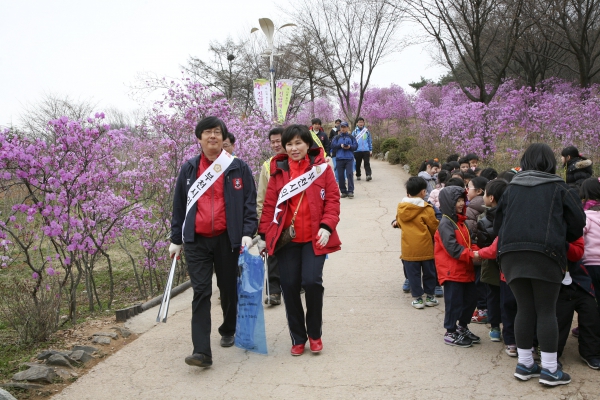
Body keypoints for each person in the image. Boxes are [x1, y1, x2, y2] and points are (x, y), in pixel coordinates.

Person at [493, 143, 586, 386]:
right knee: (546, 310)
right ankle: (550, 370)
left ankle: (525, 365)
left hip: (511, 255)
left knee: (524, 308)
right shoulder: (560, 188)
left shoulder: (510, 189)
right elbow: (578, 223)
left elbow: (497, 225)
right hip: (546, 254)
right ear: (551, 162)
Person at [169, 116, 258, 368]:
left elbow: (249, 203)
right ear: (199, 138)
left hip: (227, 239)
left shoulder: (237, 167)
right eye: (207, 132)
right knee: (201, 292)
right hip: (196, 241)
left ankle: (228, 328)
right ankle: (202, 352)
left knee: (228, 288)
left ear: (223, 138)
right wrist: (176, 239)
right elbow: (179, 207)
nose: (212, 136)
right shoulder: (188, 169)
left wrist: (247, 232)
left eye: (217, 132)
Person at [258, 124, 341, 356]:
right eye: (289, 144)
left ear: (308, 145)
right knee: (290, 286)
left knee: (312, 282)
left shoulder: (322, 169)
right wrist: (264, 235)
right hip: (287, 241)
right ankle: (298, 336)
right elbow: (269, 206)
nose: (294, 148)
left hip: (315, 238)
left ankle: (315, 334)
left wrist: (327, 226)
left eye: (298, 143)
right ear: (284, 147)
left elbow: (333, 200)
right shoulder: (278, 170)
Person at [435, 185, 479, 348]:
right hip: (452, 271)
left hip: (466, 270)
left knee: (470, 300)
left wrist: (478, 252)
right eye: (457, 200)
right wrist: (472, 255)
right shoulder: (446, 223)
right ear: (448, 202)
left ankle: (462, 327)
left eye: (462, 200)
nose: (461, 203)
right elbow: (453, 248)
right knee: (454, 303)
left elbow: (471, 242)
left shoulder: (462, 222)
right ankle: (450, 331)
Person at [396, 177, 440, 309]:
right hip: (426, 247)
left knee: (413, 275)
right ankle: (430, 296)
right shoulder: (426, 208)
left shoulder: (401, 208)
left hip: (408, 248)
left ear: (407, 192)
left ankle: (418, 299)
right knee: (429, 273)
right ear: (423, 192)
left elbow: (399, 222)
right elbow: (433, 226)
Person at [256, 127, 287, 306]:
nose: (276, 145)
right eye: (273, 142)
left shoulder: (298, 161)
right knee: (272, 253)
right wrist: (262, 225)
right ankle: (273, 290)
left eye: (279, 141)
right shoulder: (268, 165)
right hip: (274, 216)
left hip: (294, 217)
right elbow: (261, 196)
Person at [476, 179, 508, 344]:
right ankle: (510, 329)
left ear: (491, 198)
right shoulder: (511, 215)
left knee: (493, 297)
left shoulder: (483, 219)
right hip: (508, 264)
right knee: (508, 298)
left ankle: (495, 329)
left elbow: (481, 243)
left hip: (490, 263)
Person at [466, 177, 490, 325]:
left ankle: (482, 310)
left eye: (469, 187)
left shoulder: (471, 208)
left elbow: (470, 231)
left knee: (478, 281)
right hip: (488, 249)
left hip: (477, 250)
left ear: (479, 191)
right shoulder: (487, 205)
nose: (467, 191)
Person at [581, 177, 600, 317]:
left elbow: (579, 237)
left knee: (589, 298)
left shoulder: (586, 216)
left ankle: (590, 327)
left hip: (591, 264)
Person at [331, 122, 358, 198]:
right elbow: (332, 146)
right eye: (342, 127)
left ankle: (350, 191)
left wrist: (349, 147)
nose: (343, 129)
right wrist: (340, 145)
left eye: (344, 127)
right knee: (340, 176)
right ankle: (343, 191)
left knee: (349, 174)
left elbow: (356, 146)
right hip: (339, 158)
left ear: (347, 128)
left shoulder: (351, 137)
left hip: (349, 158)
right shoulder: (336, 137)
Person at [352, 117, 373, 181]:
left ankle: (368, 175)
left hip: (366, 150)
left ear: (364, 123)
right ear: (357, 123)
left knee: (367, 163)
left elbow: (369, 141)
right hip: (357, 151)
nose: (361, 123)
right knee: (358, 164)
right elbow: (352, 141)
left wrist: (370, 149)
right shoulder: (354, 132)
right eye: (359, 122)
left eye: (362, 122)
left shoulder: (366, 131)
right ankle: (358, 174)